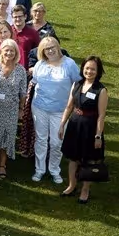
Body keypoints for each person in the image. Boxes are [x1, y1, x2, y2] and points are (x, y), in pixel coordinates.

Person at [30, 37, 81, 185]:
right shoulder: (40, 64)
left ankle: (54, 170)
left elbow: (78, 84)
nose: (50, 51)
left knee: (56, 142)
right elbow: (34, 83)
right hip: (39, 107)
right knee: (40, 140)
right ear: (42, 51)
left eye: (52, 47)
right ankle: (39, 169)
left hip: (60, 110)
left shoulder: (69, 64)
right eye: (46, 49)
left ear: (58, 47)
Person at [60, 56, 109, 204]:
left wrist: (98, 136)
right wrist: (62, 124)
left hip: (90, 129)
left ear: (98, 71)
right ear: (82, 69)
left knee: (89, 160)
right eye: (87, 68)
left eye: (93, 69)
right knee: (73, 158)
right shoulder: (77, 84)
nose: (89, 71)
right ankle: (72, 185)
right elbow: (69, 106)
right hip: (75, 126)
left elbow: (101, 115)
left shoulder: (101, 90)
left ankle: (85, 190)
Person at [0, 39, 28, 179]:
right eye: (6, 50)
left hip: (11, 109)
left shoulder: (20, 70)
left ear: (16, 53)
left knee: (7, 136)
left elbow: (23, 92)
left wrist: (21, 109)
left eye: (12, 50)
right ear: (1, 51)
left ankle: (2, 165)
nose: (9, 53)